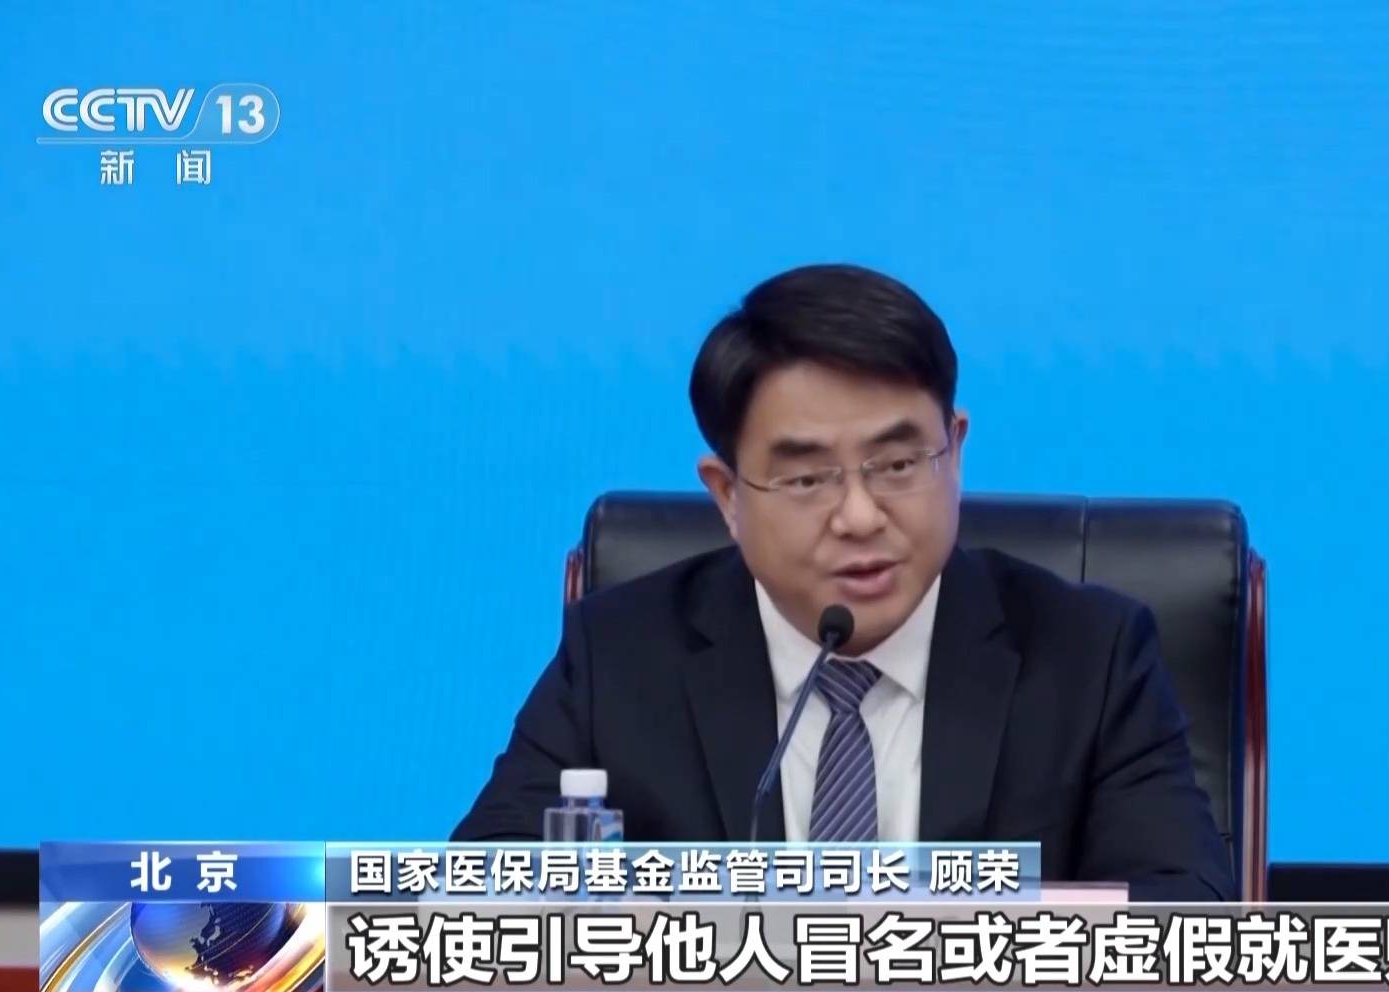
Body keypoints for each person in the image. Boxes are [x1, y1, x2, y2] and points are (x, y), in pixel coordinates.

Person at [452, 263, 1235, 900]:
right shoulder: (621, 658)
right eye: (806, 480)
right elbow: (472, 903)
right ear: (728, 497)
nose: (860, 516)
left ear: (955, 451)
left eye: (898, 464)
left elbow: (1183, 920)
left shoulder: (1090, 658)